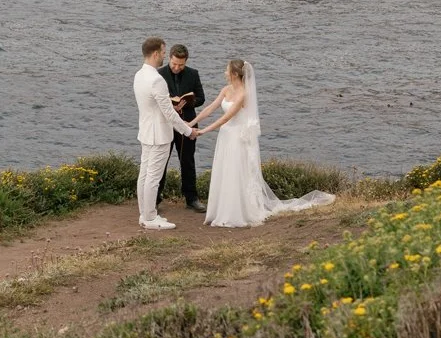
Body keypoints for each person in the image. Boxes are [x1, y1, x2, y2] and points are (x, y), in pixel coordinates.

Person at [193, 58, 335, 228]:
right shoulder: (226, 90)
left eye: (227, 70)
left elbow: (227, 117)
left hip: (237, 137)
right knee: (225, 170)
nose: (225, 73)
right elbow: (210, 108)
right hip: (225, 136)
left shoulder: (244, 94)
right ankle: (220, 209)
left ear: (235, 74)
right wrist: (192, 122)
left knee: (235, 172)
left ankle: (235, 212)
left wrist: (203, 131)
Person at [133, 36, 198, 230]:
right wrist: (188, 131)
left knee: (144, 174)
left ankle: (144, 214)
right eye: (163, 52)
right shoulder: (157, 80)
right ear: (155, 54)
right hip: (159, 134)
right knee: (153, 177)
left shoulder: (139, 75)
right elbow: (169, 113)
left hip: (145, 132)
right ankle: (151, 217)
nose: (163, 55)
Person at [157, 44, 206, 212]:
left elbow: (201, 98)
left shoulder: (193, 74)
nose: (177, 67)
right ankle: (155, 198)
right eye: (174, 64)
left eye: (181, 65)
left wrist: (187, 102)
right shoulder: (159, 74)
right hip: (166, 124)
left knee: (187, 161)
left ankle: (191, 198)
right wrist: (170, 104)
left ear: (186, 61)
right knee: (161, 161)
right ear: (169, 58)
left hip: (187, 122)